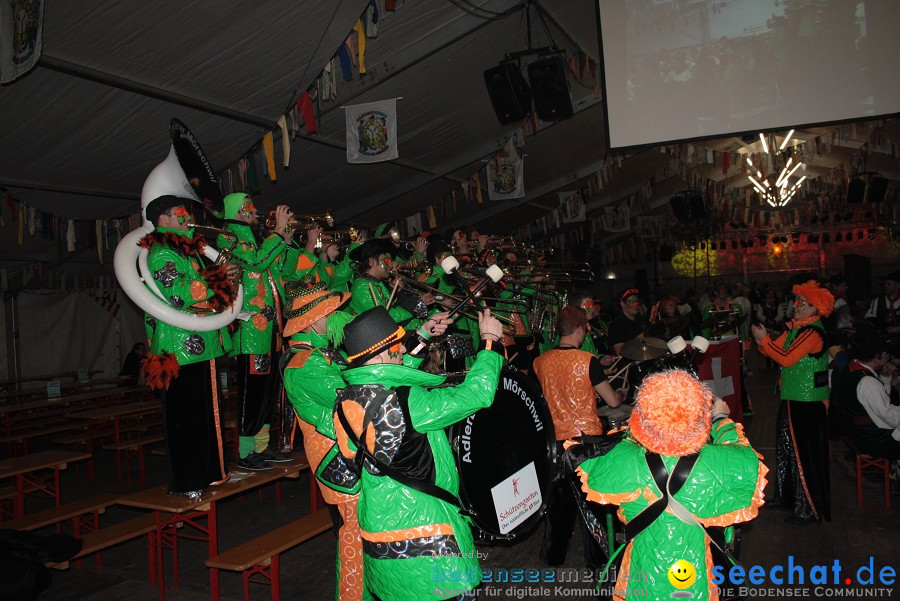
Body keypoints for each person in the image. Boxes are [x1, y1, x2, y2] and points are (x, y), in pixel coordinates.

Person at [332, 306, 504, 601]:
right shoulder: (407, 400)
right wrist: (490, 343)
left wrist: (423, 335)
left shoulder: (346, 399)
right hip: (426, 530)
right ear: (382, 353)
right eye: (397, 346)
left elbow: (392, 374)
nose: (402, 350)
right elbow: (477, 394)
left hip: (378, 529)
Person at [575, 370, 767, 600]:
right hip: (699, 577)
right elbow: (743, 455)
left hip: (642, 573)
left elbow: (600, 454)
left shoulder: (625, 459)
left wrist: (634, 429)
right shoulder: (717, 463)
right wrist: (720, 420)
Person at [140, 195, 236, 497]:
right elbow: (179, 294)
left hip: (199, 344)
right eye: (179, 212)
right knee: (185, 420)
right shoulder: (159, 253)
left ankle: (208, 474)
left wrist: (224, 281)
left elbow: (202, 292)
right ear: (163, 219)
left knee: (207, 417)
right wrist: (217, 277)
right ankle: (186, 481)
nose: (186, 216)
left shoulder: (187, 252)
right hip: (177, 349)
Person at [281, 282, 370, 601]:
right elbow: (353, 399)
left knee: (364, 533)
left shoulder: (322, 354)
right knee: (356, 536)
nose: (339, 316)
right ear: (313, 321)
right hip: (336, 459)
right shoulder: (307, 364)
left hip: (347, 452)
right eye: (331, 311)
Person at [532, 306, 623, 570]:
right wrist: (620, 391)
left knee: (558, 505)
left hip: (555, 444)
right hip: (587, 444)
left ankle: (553, 557)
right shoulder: (587, 360)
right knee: (593, 505)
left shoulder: (540, 362)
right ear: (581, 329)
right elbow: (612, 401)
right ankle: (599, 562)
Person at [219, 193, 294, 471]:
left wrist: (285, 239)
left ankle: (260, 448)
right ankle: (245, 451)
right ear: (236, 210)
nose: (254, 210)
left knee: (267, 393)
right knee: (252, 395)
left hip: (271, 330)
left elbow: (281, 269)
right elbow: (256, 264)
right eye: (247, 206)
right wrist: (276, 233)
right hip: (251, 331)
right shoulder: (228, 238)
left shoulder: (255, 237)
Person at [751, 279, 834, 523]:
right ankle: (787, 497)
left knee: (804, 455)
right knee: (786, 449)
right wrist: (760, 341)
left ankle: (808, 509)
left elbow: (786, 359)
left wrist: (765, 340)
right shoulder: (797, 328)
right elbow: (773, 350)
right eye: (796, 301)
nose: (796, 305)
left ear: (815, 309)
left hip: (808, 402)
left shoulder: (812, 332)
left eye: (803, 303)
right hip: (793, 398)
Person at [833, 337, 900, 460]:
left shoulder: (851, 368)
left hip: (855, 431)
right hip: (872, 439)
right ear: (877, 356)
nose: (888, 358)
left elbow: (874, 400)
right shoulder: (868, 382)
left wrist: (885, 378)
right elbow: (890, 417)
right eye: (886, 355)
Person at [607, 288, 647, 356]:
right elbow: (620, 352)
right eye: (631, 302)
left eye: (636, 301)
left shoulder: (641, 319)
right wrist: (642, 336)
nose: (635, 304)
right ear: (623, 304)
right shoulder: (616, 325)